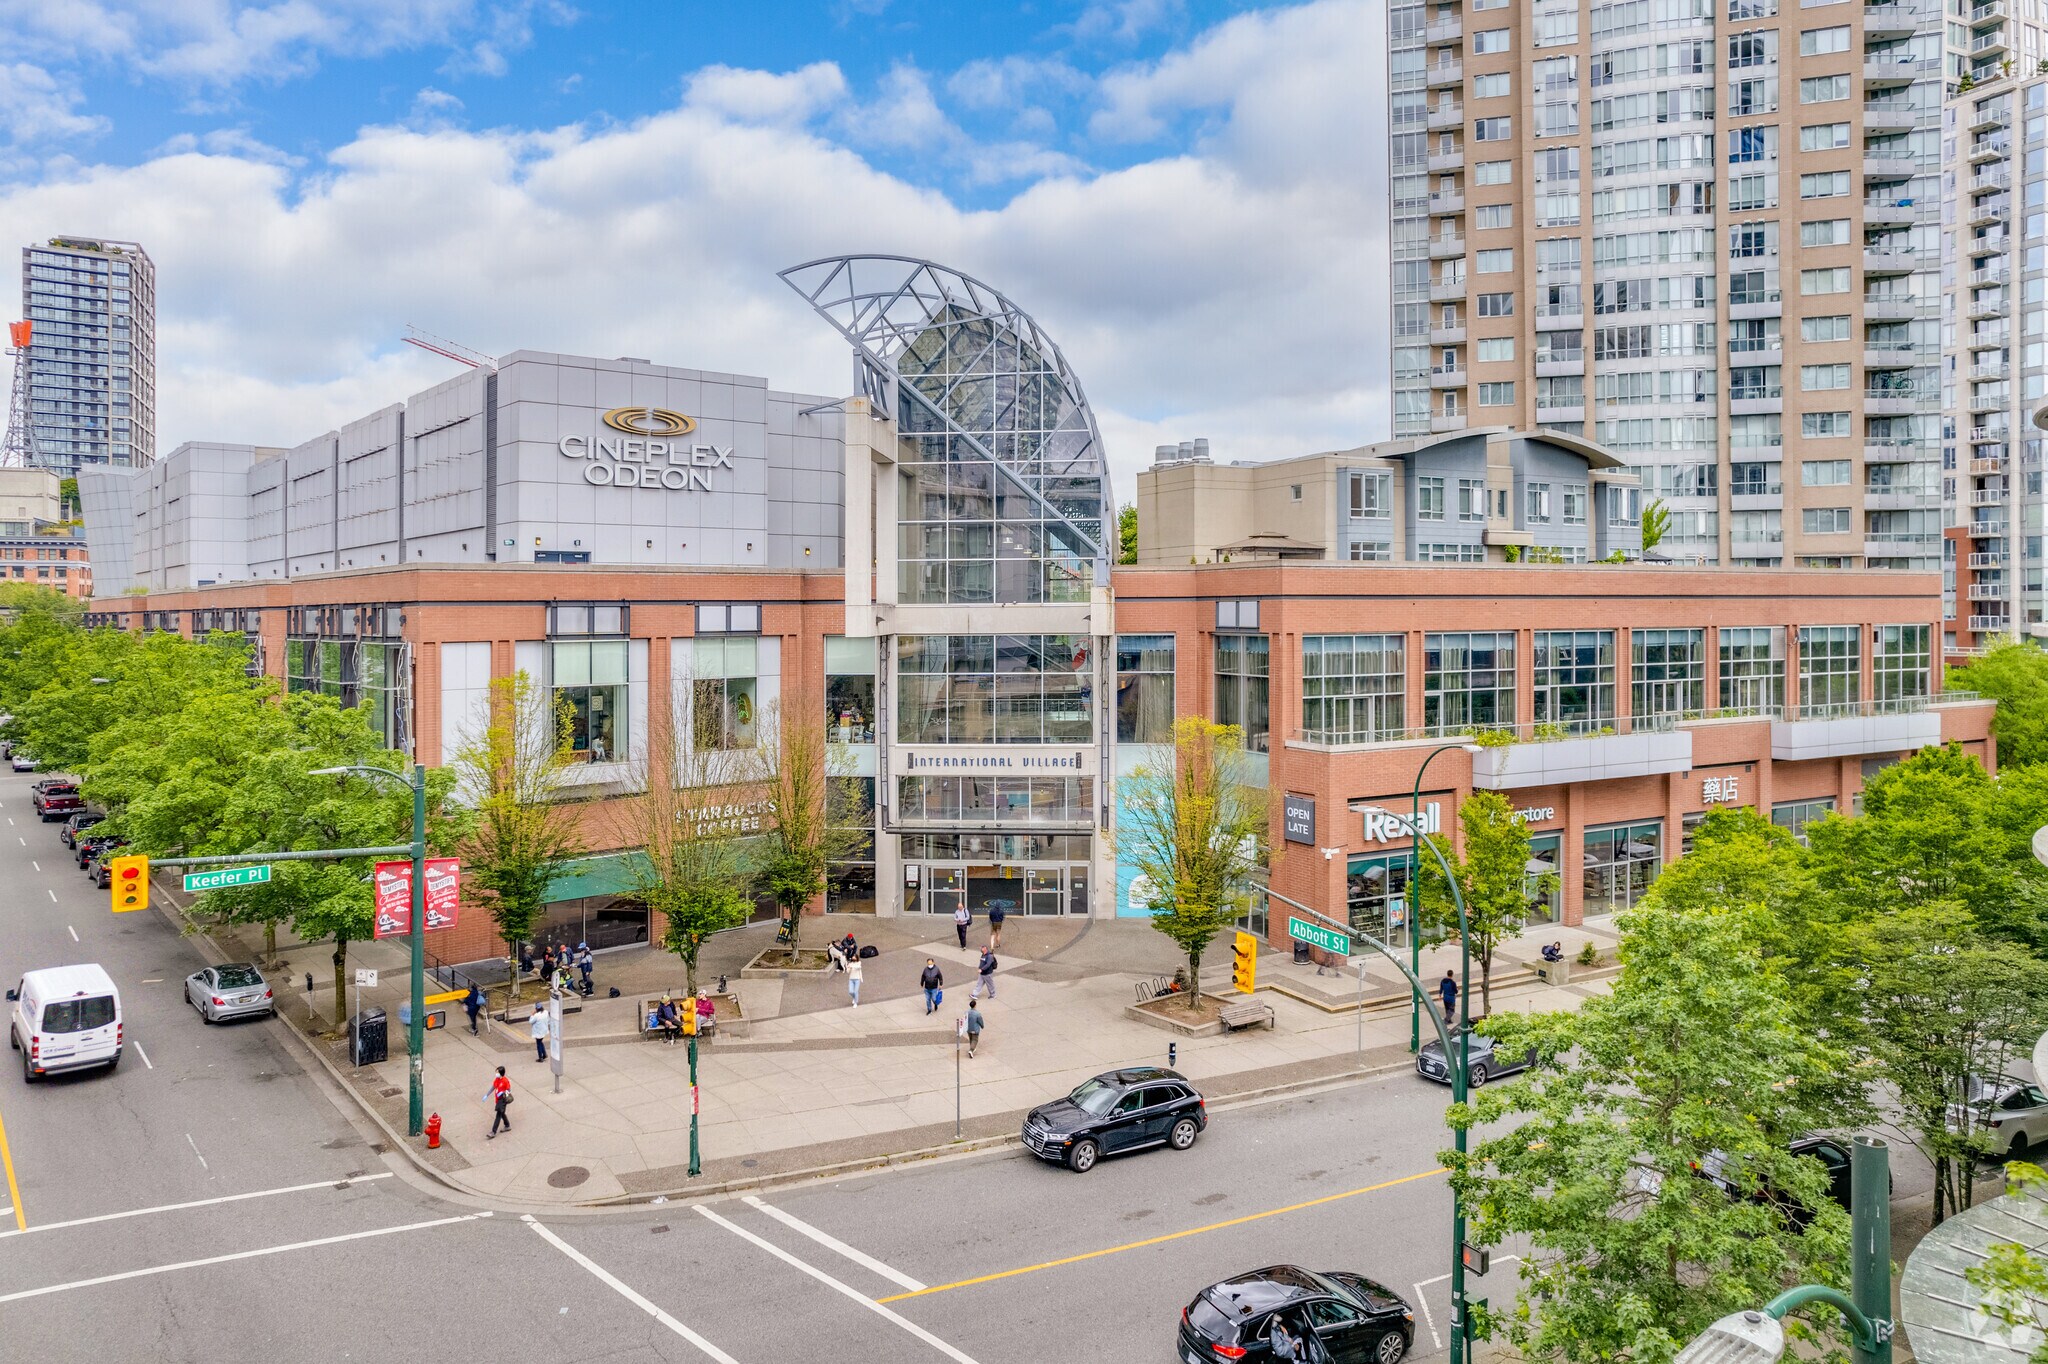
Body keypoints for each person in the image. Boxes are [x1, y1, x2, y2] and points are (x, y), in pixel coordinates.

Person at [487, 1065, 512, 1138]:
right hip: (498, 1100)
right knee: (502, 1113)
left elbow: (509, 1090)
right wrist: (487, 1095)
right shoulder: (497, 1079)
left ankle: (493, 1132)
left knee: (498, 1115)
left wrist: (503, 1092)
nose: (496, 1073)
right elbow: (493, 1087)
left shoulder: (505, 1081)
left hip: (502, 1100)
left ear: (501, 1073)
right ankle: (507, 1125)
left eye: (497, 1072)